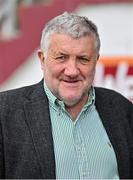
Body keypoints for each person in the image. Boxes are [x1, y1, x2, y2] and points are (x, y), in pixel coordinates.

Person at [0, 12, 133, 179]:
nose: (72, 71)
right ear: (42, 59)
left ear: (96, 61)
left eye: (83, 59)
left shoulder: (122, 109)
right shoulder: (4, 113)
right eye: (61, 57)